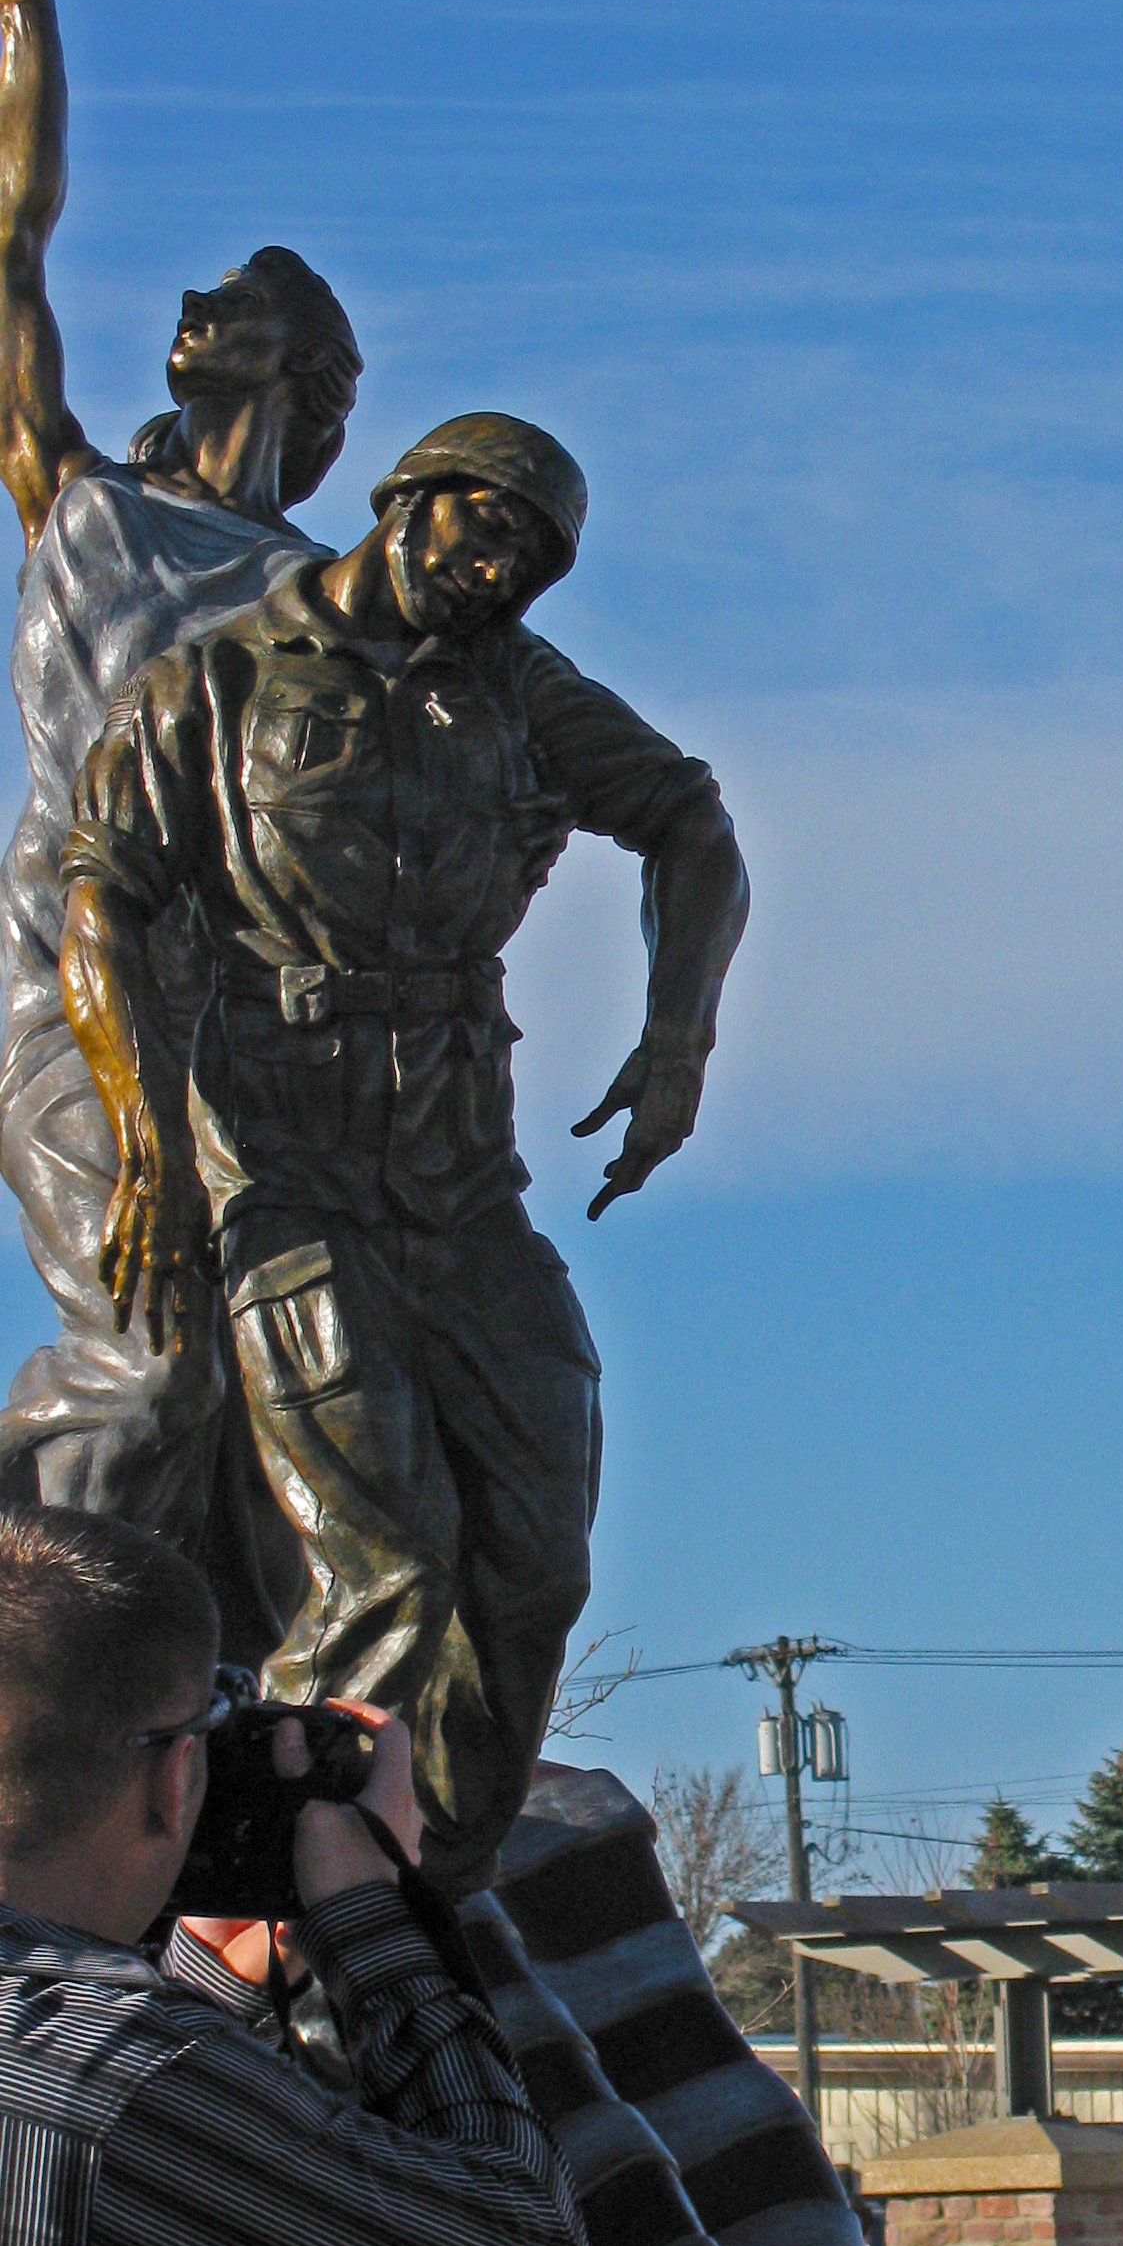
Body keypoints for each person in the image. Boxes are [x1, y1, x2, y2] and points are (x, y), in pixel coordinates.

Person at [55, 412, 750, 1894]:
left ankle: (429, 1903)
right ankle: (280, 1914)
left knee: (537, 1561)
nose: (500, 576)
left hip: (462, 1189)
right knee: (386, 1568)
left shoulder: (517, 693)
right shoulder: (216, 683)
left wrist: (675, 1038)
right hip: (289, 1184)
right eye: (486, 532)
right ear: (411, 503)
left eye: (531, 562)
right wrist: (139, 1140)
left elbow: (690, 819)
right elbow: (101, 901)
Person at [0, 0, 360, 1631]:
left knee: (278, 1390)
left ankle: (198, 1690)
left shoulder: (323, 597)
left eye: (236, 301)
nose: (190, 309)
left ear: (297, 365)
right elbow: (11, 241)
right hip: (66, 991)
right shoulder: (83, 501)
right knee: (146, 1367)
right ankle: (25, 1639)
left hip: (254, 1020)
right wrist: (28, 22)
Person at [0, 1500, 582, 2246]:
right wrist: (371, 1923)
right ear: (177, 1779)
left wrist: (204, 1982)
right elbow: (523, 2233)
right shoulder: (121, 2082)